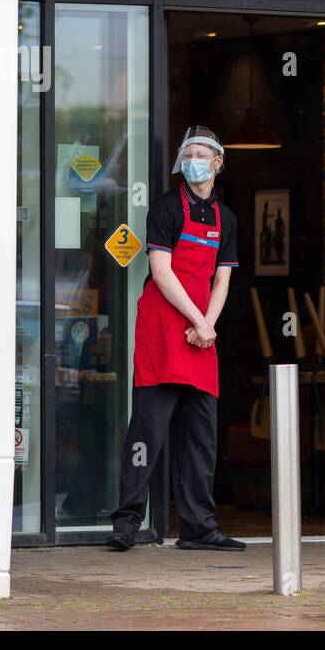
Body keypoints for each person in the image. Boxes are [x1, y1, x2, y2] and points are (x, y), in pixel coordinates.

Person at [106, 126, 245, 551]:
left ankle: (199, 527)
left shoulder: (227, 218)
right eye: (188, 153)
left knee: (201, 435)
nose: (193, 160)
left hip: (201, 334)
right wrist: (198, 320)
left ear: (218, 163)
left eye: (202, 153)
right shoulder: (167, 208)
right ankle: (127, 521)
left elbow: (222, 279)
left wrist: (208, 324)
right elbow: (161, 272)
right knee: (147, 430)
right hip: (163, 330)